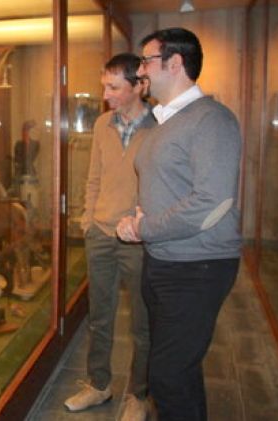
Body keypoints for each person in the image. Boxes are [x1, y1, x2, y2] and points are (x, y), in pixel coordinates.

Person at [116, 28, 242, 420]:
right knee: (177, 371)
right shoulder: (163, 122)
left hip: (197, 267)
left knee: (168, 374)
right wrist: (138, 217)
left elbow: (213, 201)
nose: (140, 73)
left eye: (146, 62)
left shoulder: (211, 119)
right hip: (165, 261)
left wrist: (145, 228)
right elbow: (166, 187)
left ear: (175, 63)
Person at [64, 53, 154, 421]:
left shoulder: (160, 127)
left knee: (143, 322)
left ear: (139, 86)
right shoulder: (102, 124)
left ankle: (138, 394)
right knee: (100, 316)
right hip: (99, 234)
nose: (106, 94)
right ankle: (98, 385)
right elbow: (94, 178)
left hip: (138, 240)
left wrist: (145, 224)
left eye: (114, 87)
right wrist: (88, 220)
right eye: (105, 86)